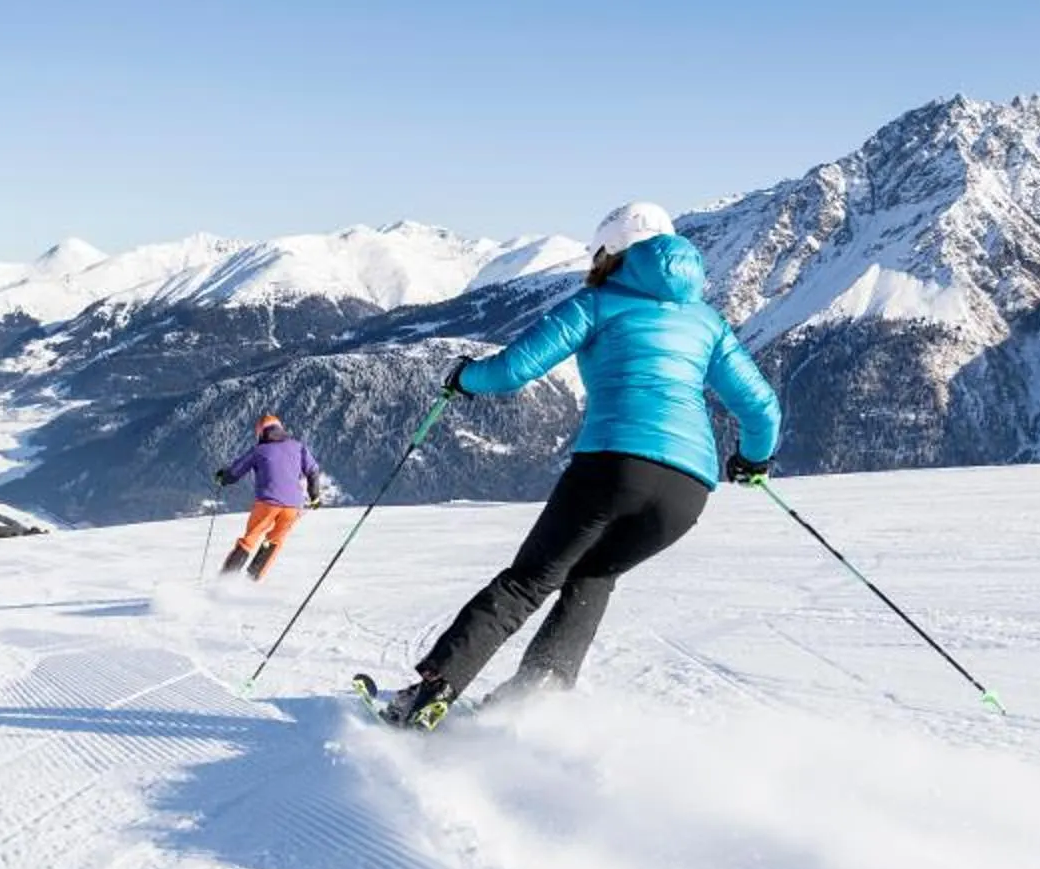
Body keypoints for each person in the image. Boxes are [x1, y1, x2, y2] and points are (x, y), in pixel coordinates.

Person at [376, 201, 780, 724]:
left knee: (528, 581)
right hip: (687, 492)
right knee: (593, 575)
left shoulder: (598, 303)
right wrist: (753, 460)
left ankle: (430, 695)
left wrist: (462, 378)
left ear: (608, 254)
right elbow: (762, 406)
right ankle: (532, 699)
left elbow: (510, 371)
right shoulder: (707, 322)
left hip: (612, 467)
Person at [214, 413, 325, 580]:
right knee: (274, 541)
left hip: (267, 504)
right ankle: (252, 579)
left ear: (261, 432)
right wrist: (314, 496)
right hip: (293, 507)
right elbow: (313, 471)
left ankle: (225, 580)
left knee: (250, 539)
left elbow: (235, 472)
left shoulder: (259, 451)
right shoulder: (298, 447)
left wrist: (223, 478)